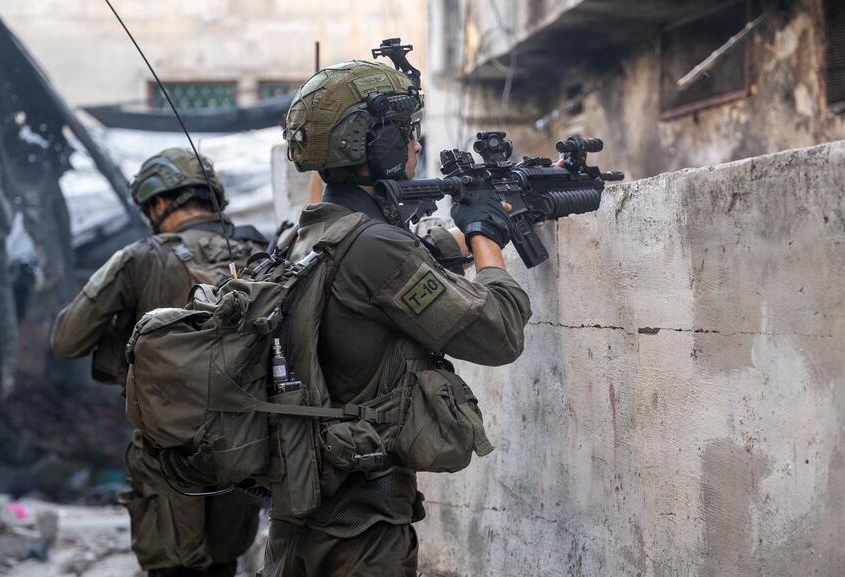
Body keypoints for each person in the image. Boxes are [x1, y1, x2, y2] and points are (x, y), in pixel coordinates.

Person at [259, 59, 532, 577]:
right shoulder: (374, 247)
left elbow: (388, 277)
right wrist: (487, 241)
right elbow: (498, 334)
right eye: (406, 133)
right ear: (376, 146)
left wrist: (459, 239)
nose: (414, 146)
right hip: (359, 530)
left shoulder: (307, 235)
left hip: (304, 517)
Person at [51, 148, 265, 577]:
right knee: (223, 565)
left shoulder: (141, 257)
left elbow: (66, 339)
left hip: (165, 457)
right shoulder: (262, 253)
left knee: (172, 567)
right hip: (243, 448)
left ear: (162, 203)